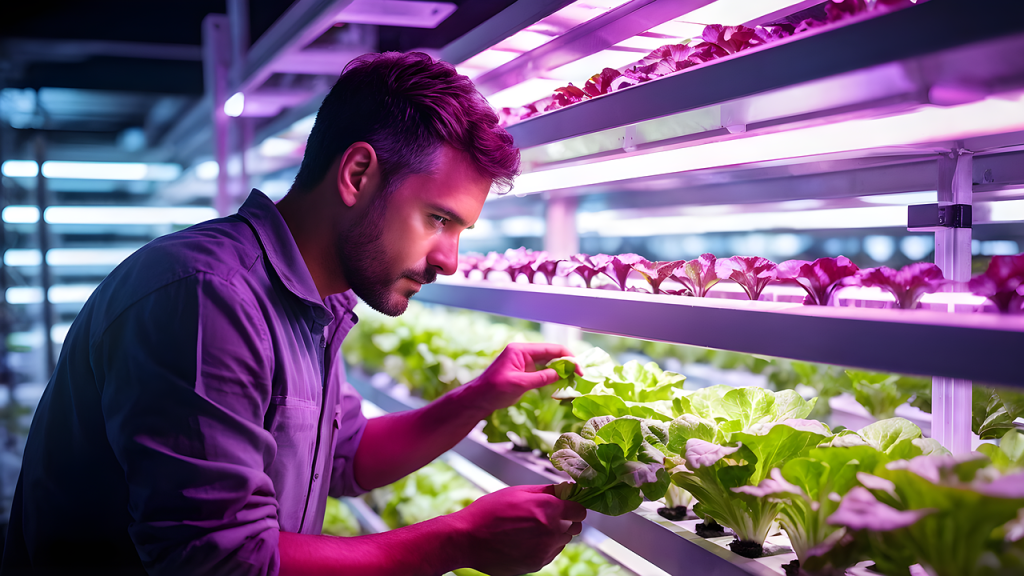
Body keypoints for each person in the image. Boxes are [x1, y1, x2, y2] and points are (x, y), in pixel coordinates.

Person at [2, 52, 586, 576]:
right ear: (357, 175)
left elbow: (346, 457)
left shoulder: (316, 297)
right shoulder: (208, 297)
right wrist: (456, 542)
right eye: (438, 219)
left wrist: (478, 396)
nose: (449, 260)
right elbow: (220, 562)